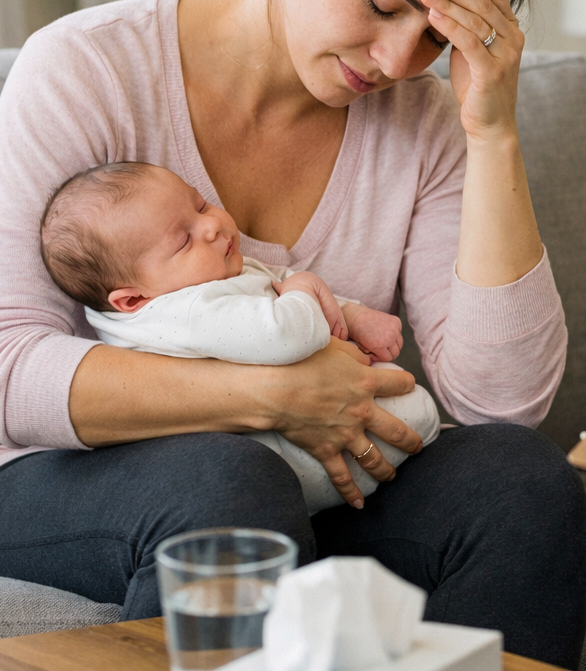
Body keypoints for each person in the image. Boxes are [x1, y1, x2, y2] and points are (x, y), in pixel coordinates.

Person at [0, 0, 586, 669]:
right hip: (28, 483)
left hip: (293, 488)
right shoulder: (88, 67)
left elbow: (499, 404)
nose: (396, 62)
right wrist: (272, 397)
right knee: (228, 475)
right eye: (384, 4)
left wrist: (492, 132)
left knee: (520, 479)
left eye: (437, 38)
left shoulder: (427, 122)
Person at [39, 161, 441, 513]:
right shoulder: (191, 309)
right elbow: (285, 333)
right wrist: (305, 285)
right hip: (275, 459)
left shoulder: (197, 275)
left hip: (283, 439)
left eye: (200, 205)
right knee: (414, 409)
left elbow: (274, 284)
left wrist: (352, 313)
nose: (212, 225)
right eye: (183, 240)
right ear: (132, 299)